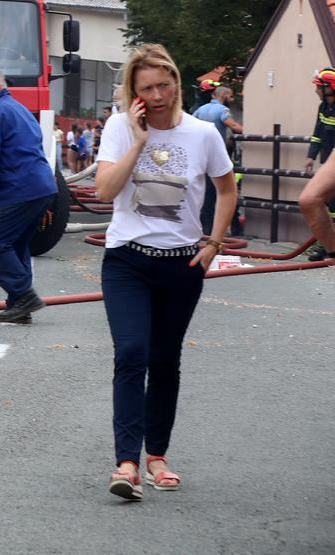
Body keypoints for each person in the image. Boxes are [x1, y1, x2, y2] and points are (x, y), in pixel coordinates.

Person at [95, 43, 236, 502]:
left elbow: (227, 190)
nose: (157, 95)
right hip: (127, 261)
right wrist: (138, 140)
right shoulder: (119, 127)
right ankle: (127, 463)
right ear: (133, 94)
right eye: (146, 88)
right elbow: (103, 191)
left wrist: (213, 242)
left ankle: (157, 456)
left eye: (163, 84)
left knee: (165, 360)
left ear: (176, 80)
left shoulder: (202, 133)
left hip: (181, 265)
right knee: (132, 352)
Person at [0, 66, 58, 323]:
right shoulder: (18, 109)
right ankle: (19, 306)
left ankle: (23, 296)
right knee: (16, 245)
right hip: (40, 189)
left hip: (20, 190)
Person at [192, 84, 244, 235]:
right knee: (228, 190)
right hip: (216, 157)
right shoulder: (222, 110)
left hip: (200, 156)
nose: (233, 99)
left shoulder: (201, 110)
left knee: (207, 194)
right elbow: (233, 126)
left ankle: (206, 229)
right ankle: (235, 228)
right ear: (224, 96)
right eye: (231, 96)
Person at [301, 70, 335, 259]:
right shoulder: (324, 107)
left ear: (329, 87)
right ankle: (327, 246)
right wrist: (310, 156)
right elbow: (318, 133)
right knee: (326, 204)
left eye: (318, 86)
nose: (316, 91)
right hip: (328, 160)